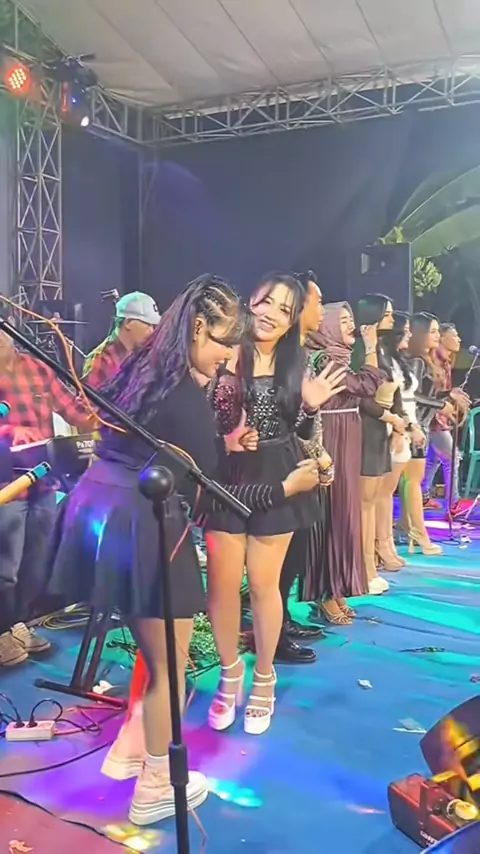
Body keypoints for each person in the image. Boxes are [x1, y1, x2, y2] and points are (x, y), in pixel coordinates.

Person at [49, 275, 322, 825]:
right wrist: (285, 488)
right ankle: (155, 785)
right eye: (223, 342)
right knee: (169, 665)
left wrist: (225, 443)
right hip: (145, 525)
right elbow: (214, 493)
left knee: (153, 653)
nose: (227, 357)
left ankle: (130, 751)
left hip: (100, 511)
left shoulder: (144, 368)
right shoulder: (188, 401)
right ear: (198, 327)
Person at [206, 272, 346, 735]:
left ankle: (264, 677)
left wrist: (311, 409)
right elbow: (198, 418)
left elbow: (300, 434)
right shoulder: (223, 350)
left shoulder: (296, 361)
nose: (271, 315)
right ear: (251, 300)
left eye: (285, 310)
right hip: (226, 475)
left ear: (292, 321)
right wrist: (224, 440)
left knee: (266, 587)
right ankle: (230, 672)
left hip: (279, 474)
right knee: (222, 587)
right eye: (267, 302)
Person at [0, 329, 93, 667]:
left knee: (36, 564)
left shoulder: (38, 368)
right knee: (5, 569)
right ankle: (1, 634)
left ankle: (19, 623)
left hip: (44, 482)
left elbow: (74, 410)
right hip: (7, 486)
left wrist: (102, 420)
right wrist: (10, 431)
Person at [304, 302, 384, 621]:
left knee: (343, 515)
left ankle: (336, 589)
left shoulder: (338, 358)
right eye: (344, 320)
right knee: (332, 514)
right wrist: (372, 348)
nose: (351, 325)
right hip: (331, 437)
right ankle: (324, 593)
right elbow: (367, 385)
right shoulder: (325, 360)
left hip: (347, 435)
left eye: (352, 319)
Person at [351, 294, 405, 594]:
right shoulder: (360, 352)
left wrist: (397, 421)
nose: (392, 320)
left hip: (380, 430)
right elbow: (361, 397)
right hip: (365, 429)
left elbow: (392, 395)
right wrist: (390, 417)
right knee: (363, 504)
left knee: (371, 502)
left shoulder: (381, 351)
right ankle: (363, 570)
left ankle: (370, 566)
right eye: (388, 314)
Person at [399, 313, 458, 554]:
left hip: (419, 425)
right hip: (414, 426)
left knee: (410, 482)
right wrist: (442, 404)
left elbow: (427, 396)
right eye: (432, 331)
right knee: (412, 482)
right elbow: (412, 396)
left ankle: (406, 528)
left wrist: (450, 396)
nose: (437, 336)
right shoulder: (416, 361)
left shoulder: (425, 360)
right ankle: (418, 534)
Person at [375, 313, 427, 569]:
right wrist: (401, 427)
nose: (409, 334)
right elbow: (387, 399)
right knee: (382, 493)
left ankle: (386, 544)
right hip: (389, 427)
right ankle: (380, 545)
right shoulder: (380, 358)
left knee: (387, 492)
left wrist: (411, 426)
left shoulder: (398, 360)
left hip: (404, 425)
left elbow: (405, 400)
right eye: (405, 329)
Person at [422, 323, 471, 517]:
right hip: (432, 418)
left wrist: (454, 395)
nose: (459, 339)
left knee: (434, 459)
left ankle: (423, 495)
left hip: (438, 416)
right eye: (455, 335)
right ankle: (454, 503)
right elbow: (429, 394)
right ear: (442, 338)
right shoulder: (433, 361)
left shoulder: (446, 361)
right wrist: (450, 397)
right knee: (452, 457)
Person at [82, 291, 160, 387]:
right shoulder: (100, 361)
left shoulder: (138, 356)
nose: (152, 332)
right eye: (148, 324)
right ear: (128, 323)